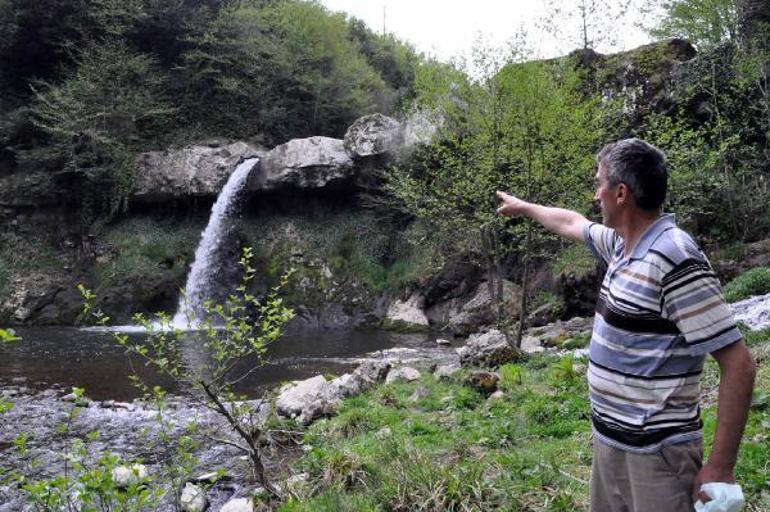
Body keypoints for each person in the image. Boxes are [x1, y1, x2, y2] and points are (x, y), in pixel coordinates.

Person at [496, 138, 756, 512]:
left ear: (621, 193)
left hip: (657, 458)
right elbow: (572, 222)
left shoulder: (674, 256)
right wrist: (524, 208)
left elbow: (740, 365)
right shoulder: (622, 245)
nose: (594, 193)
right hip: (611, 445)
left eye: (599, 182)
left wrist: (720, 467)